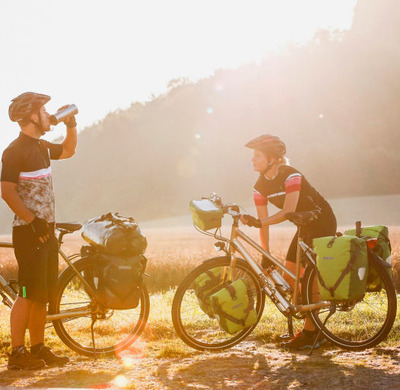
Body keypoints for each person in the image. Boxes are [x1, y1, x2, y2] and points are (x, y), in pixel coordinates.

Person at [1, 92, 78, 370]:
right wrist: (33, 220)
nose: (48, 116)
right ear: (33, 116)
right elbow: (7, 192)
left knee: (41, 293)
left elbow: (68, 151)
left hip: (46, 231)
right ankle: (17, 353)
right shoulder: (13, 150)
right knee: (26, 292)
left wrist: (71, 125)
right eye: (44, 112)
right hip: (28, 231)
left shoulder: (43, 146)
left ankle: (38, 348)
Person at [241, 134, 337, 350]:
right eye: (253, 156)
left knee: (308, 279)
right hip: (303, 225)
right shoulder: (259, 186)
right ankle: (313, 324)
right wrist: (266, 255)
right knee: (289, 276)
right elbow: (263, 224)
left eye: (257, 155)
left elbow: (288, 211)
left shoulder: (291, 175)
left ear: (272, 159)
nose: (252, 160)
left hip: (321, 221)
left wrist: (259, 222)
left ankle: (312, 332)